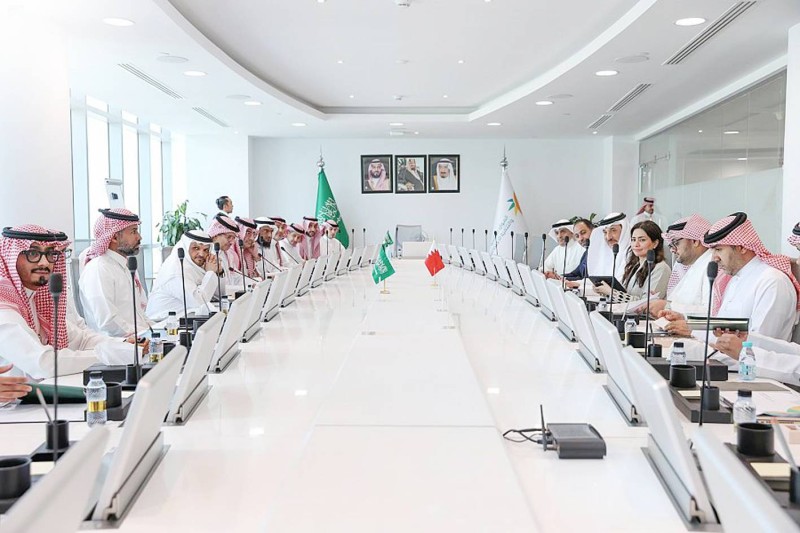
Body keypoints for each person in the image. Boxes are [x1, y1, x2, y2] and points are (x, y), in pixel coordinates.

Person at [0, 225, 139, 379]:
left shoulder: (34, 298)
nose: (44, 263)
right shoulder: (3, 305)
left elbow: (81, 340)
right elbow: (43, 363)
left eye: (50, 254)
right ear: (10, 257)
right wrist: (113, 355)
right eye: (33, 253)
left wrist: (124, 344)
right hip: (22, 394)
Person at [662, 212, 800, 344]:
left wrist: (694, 331)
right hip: (722, 355)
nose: (714, 258)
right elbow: (726, 325)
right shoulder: (735, 278)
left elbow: (758, 343)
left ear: (741, 247)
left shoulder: (772, 282)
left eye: (718, 249)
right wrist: (688, 321)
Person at [79, 208, 153, 337]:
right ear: (114, 237)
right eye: (133, 232)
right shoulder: (99, 269)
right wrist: (143, 335)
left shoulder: (125, 267)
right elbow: (108, 321)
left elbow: (139, 315)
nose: (139, 237)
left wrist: (157, 331)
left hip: (138, 339)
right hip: (119, 344)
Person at [648, 215, 716, 316]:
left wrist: (667, 306)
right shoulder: (693, 265)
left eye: (676, 243)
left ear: (695, 241)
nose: (672, 250)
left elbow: (710, 312)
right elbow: (680, 301)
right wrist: (661, 303)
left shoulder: (712, 266)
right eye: (671, 245)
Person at [146, 230, 219, 319]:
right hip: (163, 321)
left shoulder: (194, 266)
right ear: (185, 247)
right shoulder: (176, 269)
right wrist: (210, 272)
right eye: (196, 248)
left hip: (184, 318)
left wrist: (219, 271)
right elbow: (199, 302)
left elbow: (219, 295)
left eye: (206, 250)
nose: (201, 254)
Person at [596, 221, 671, 301]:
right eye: (633, 239)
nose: (636, 244)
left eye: (642, 240)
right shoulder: (634, 266)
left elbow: (647, 303)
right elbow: (625, 295)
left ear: (655, 243)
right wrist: (605, 291)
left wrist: (611, 293)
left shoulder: (661, 268)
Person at [586, 212, 630, 282]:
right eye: (605, 232)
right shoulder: (606, 253)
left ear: (624, 231)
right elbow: (597, 281)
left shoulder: (632, 255)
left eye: (613, 230)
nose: (608, 237)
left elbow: (619, 284)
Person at [207, 214, 239, 290]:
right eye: (229, 237)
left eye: (233, 238)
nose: (232, 242)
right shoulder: (207, 254)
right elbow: (217, 289)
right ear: (215, 235)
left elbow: (236, 277)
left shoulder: (228, 254)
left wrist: (253, 283)